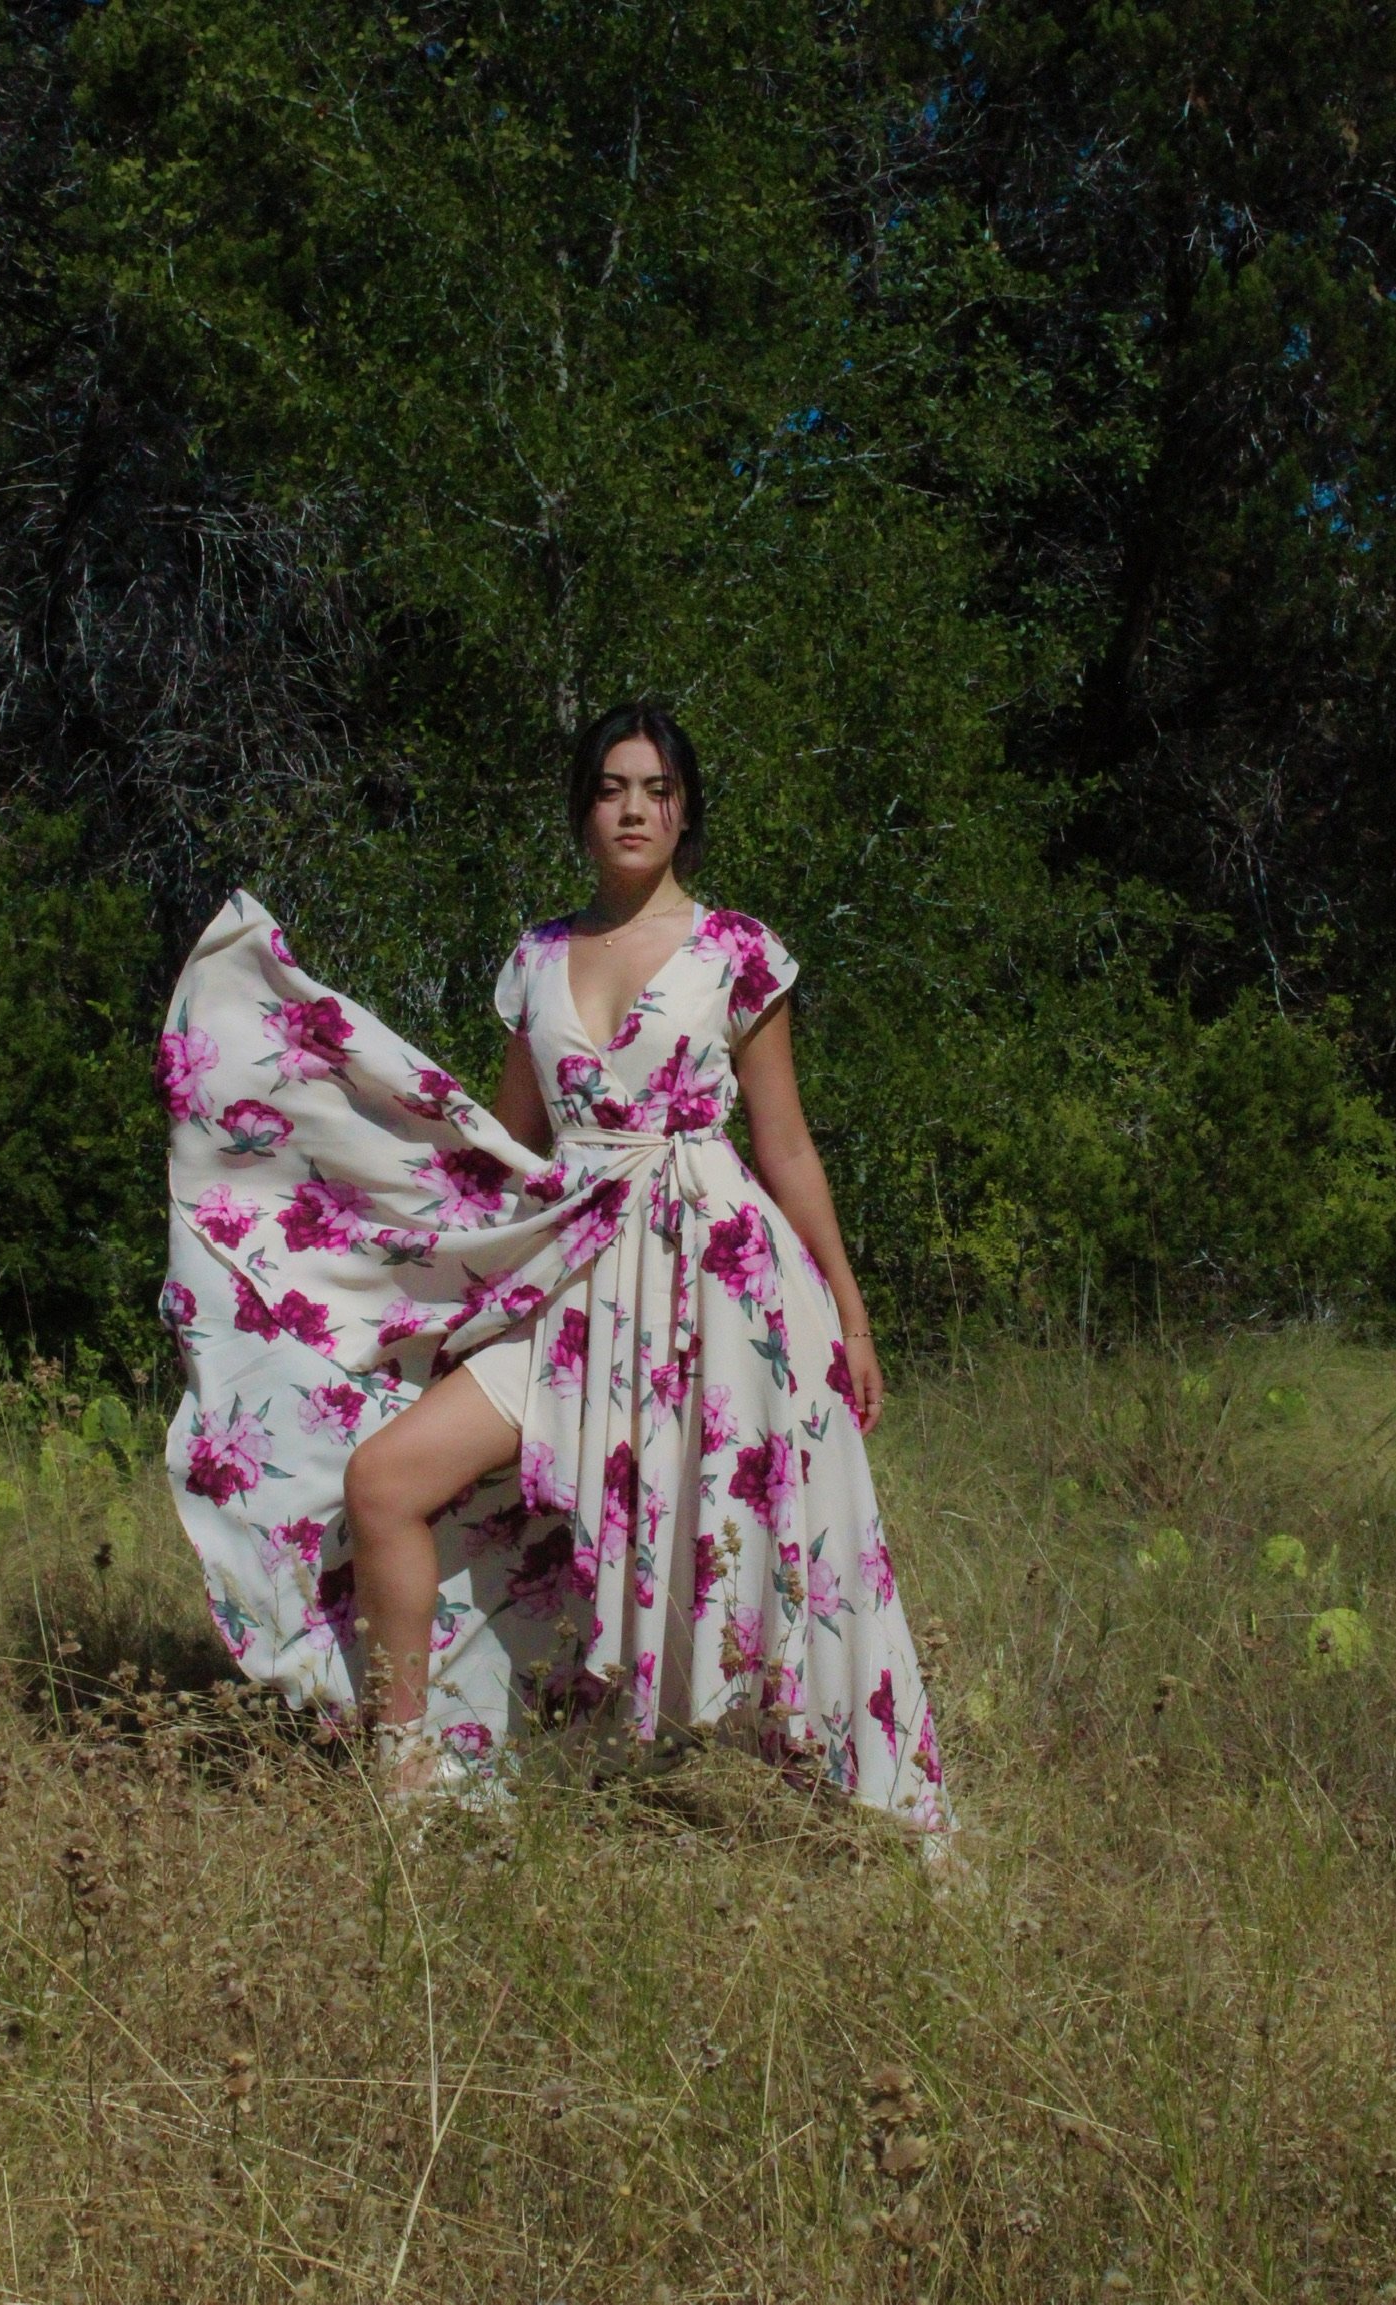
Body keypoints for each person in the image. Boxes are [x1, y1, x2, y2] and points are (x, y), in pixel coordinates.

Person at [158, 702, 950, 1838]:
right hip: (575, 1287)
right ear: (582, 808)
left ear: (685, 813)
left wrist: (852, 1316)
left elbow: (784, 1145)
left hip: (717, 1293)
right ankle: (407, 1775)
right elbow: (501, 1152)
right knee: (385, 1481)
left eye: (658, 790)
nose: (634, 808)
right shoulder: (534, 958)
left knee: (784, 1544)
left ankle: (851, 1814)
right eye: (613, 787)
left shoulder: (737, 951)